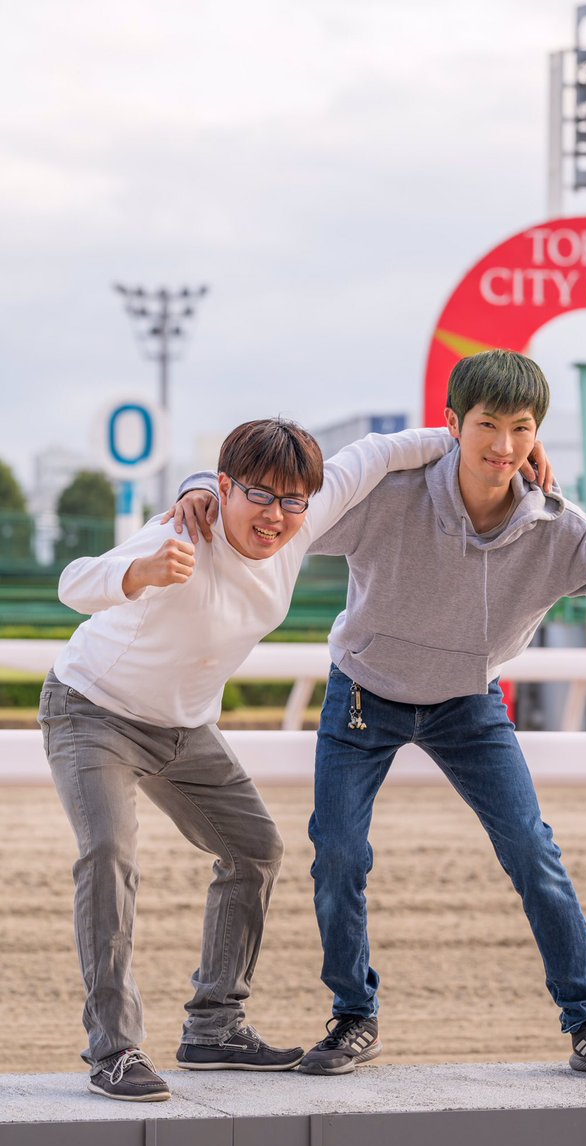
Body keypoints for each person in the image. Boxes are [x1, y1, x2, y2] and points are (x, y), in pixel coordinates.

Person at [174, 349, 586, 1083]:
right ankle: (354, 1016)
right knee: (338, 854)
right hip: (363, 692)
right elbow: (279, 504)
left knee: (532, 852)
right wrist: (200, 486)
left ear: (536, 434)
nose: (503, 446)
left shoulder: (555, 525)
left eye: (520, 428)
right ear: (452, 424)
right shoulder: (389, 494)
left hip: (470, 704)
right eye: (486, 425)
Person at [39, 416, 462, 1101]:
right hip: (92, 708)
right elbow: (73, 583)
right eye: (259, 495)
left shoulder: (302, 515)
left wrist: (490, 446)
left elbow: (381, 451)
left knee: (255, 848)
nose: (275, 515)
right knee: (109, 852)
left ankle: (215, 1026)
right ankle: (113, 1049)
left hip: (184, 728)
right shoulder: (185, 530)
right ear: (225, 488)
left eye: (292, 500)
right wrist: (140, 572)